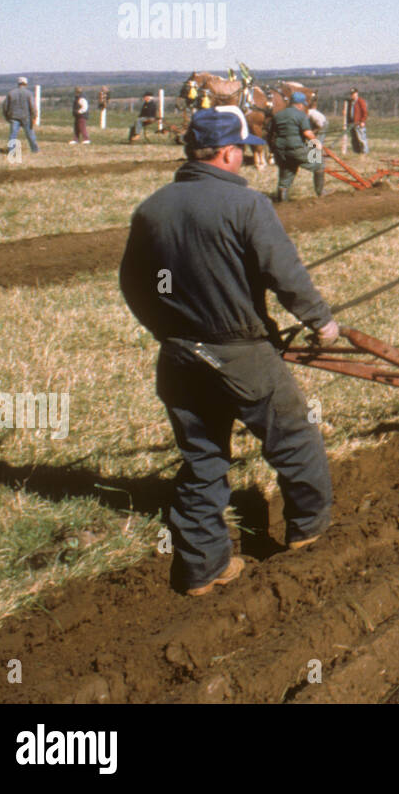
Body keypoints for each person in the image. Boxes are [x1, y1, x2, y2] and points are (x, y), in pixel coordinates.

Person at [118, 106, 339, 596]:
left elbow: (134, 284)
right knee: (295, 439)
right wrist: (320, 321)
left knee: (203, 459)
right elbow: (285, 274)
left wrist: (166, 330)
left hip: (178, 357)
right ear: (228, 153)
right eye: (241, 150)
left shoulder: (152, 208)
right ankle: (309, 534)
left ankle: (203, 568)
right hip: (241, 353)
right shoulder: (248, 206)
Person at [270, 91, 324, 202]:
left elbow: (271, 133)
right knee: (319, 164)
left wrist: (272, 150)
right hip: (295, 149)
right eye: (303, 105)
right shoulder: (301, 115)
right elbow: (307, 133)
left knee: (287, 173)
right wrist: (317, 143)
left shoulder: (278, 115)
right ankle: (321, 193)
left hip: (280, 151)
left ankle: (282, 202)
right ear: (299, 104)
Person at [3, 76, 39, 154]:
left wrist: (6, 116)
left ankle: (11, 151)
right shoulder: (29, 93)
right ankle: (35, 150)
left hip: (14, 117)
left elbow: (5, 106)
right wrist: (34, 116)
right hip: (26, 117)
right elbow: (32, 106)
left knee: (13, 135)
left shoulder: (11, 93)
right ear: (26, 84)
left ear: (18, 83)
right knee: (30, 135)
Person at [346, 87, 370, 154]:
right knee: (354, 139)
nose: (352, 95)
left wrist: (362, 121)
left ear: (357, 93)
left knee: (361, 139)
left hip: (359, 123)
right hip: (351, 124)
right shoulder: (351, 102)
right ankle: (356, 152)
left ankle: (365, 152)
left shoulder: (360, 101)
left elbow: (365, 112)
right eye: (351, 94)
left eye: (354, 94)